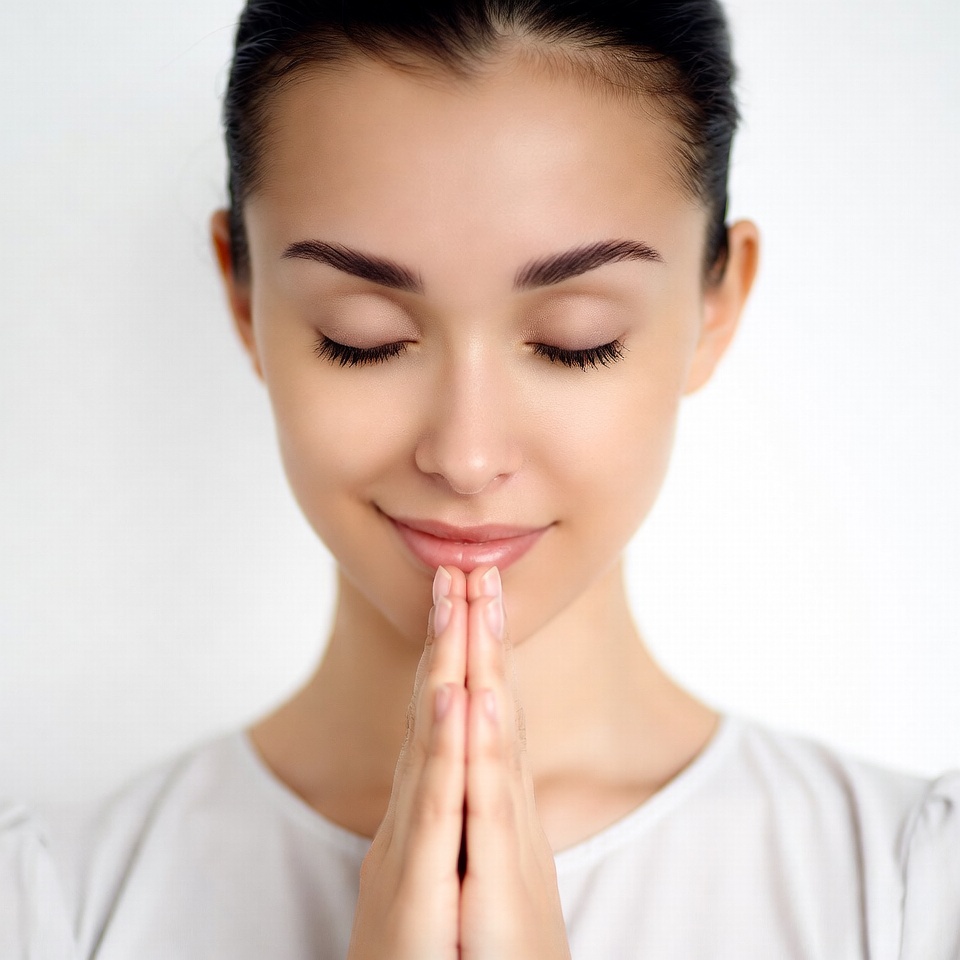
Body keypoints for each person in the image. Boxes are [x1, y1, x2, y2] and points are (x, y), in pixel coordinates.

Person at [1, 1, 957, 957]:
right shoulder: (50, 907)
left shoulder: (914, 892)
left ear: (717, 303)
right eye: (359, 339)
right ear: (243, 294)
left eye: (576, 343)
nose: (464, 457)